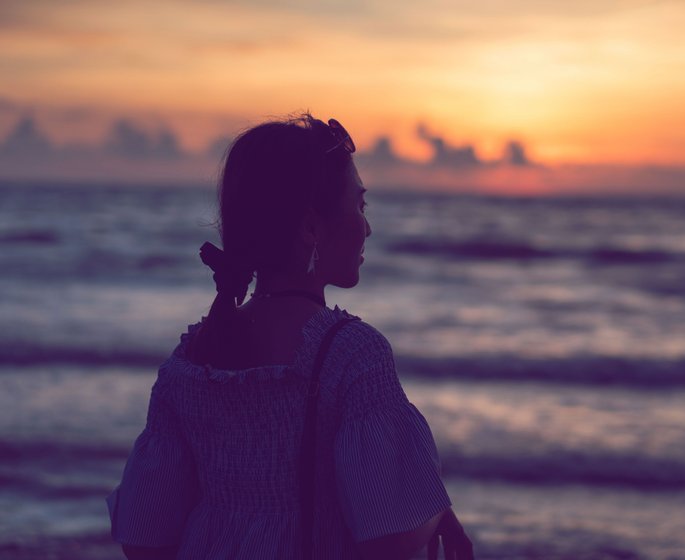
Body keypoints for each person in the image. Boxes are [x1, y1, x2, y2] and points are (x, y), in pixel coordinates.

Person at [106, 114, 473, 559]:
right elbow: (388, 537)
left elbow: (145, 540)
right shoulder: (352, 356)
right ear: (311, 228)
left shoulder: (191, 360)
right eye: (360, 206)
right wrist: (435, 513)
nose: (367, 227)